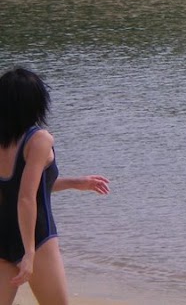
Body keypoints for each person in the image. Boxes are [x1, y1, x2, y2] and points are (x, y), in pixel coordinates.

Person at [0, 67, 109, 305]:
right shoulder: (39, 139)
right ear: (36, 102)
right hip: (36, 237)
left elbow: (14, 190)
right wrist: (29, 253)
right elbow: (26, 198)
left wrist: (74, 183)